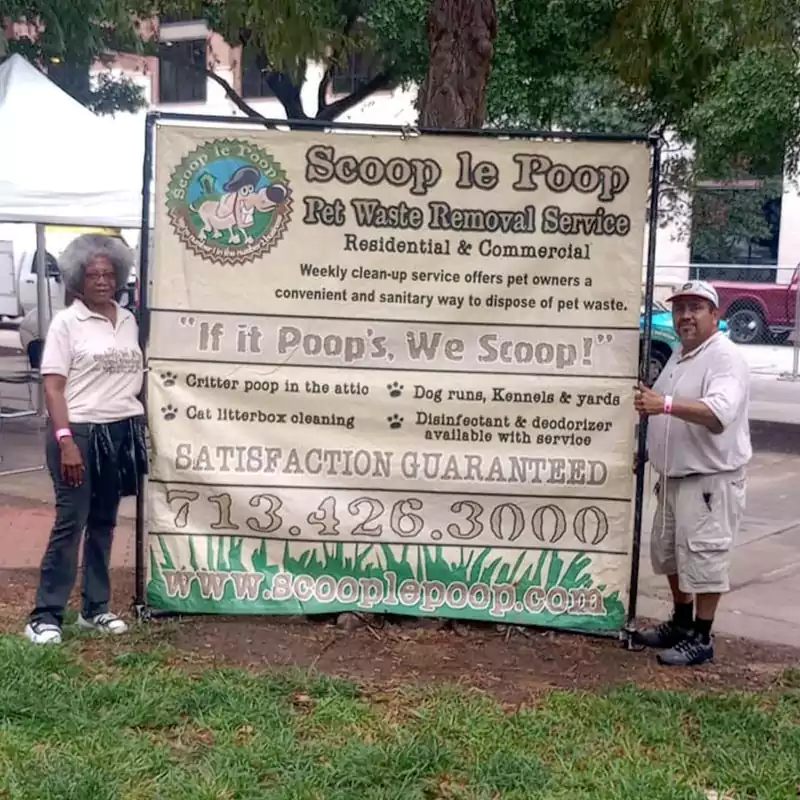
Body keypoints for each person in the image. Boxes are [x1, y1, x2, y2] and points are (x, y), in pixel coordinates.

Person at [24, 234, 147, 645]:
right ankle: (45, 615)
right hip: (77, 432)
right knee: (70, 522)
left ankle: (95, 609)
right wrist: (66, 441)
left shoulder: (129, 320)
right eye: (92, 274)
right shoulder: (66, 323)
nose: (101, 280)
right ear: (77, 278)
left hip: (120, 431)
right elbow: (54, 388)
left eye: (108, 273)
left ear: (120, 276)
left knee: (104, 524)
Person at [633, 280, 751, 667]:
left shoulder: (724, 357)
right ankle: (681, 624)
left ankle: (702, 636)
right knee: (670, 556)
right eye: (681, 307)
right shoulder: (682, 355)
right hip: (672, 478)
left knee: (704, 559)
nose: (686, 315)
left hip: (707, 482)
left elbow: (718, 413)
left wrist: (663, 404)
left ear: (715, 315)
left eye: (696, 308)